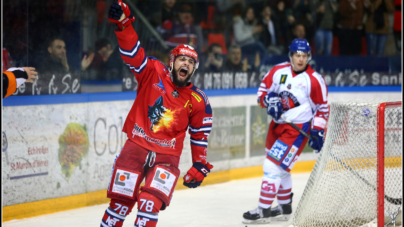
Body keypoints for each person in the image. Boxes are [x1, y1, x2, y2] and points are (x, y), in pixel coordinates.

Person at [101, 1, 214, 227]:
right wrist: (124, 25)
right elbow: (132, 54)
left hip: (167, 157)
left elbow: (199, 135)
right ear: (172, 61)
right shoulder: (152, 71)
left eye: (191, 62)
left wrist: (200, 164)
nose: (187, 63)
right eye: (182, 58)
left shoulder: (198, 99)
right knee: (119, 205)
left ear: (194, 69)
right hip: (136, 147)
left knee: (148, 204)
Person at [242, 38, 329, 224]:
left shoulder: (314, 80)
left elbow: (322, 107)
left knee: (272, 166)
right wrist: (268, 101)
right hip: (276, 126)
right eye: (297, 55)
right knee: (280, 168)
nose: (301, 59)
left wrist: (317, 130)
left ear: (309, 57)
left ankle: (263, 211)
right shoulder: (278, 71)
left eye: (304, 55)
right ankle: (284, 205)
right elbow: (262, 91)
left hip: (296, 130)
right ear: (291, 55)